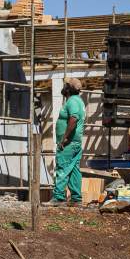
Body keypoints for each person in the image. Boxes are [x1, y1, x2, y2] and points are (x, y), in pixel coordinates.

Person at [47, 77, 86, 206]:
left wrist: (64, 138)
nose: (63, 87)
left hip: (68, 143)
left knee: (62, 167)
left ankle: (58, 197)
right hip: (75, 143)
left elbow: (73, 119)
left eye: (65, 85)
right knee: (74, 170)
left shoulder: (73, 102)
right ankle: (76, 199)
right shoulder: (77, 101)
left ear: (69, 88)